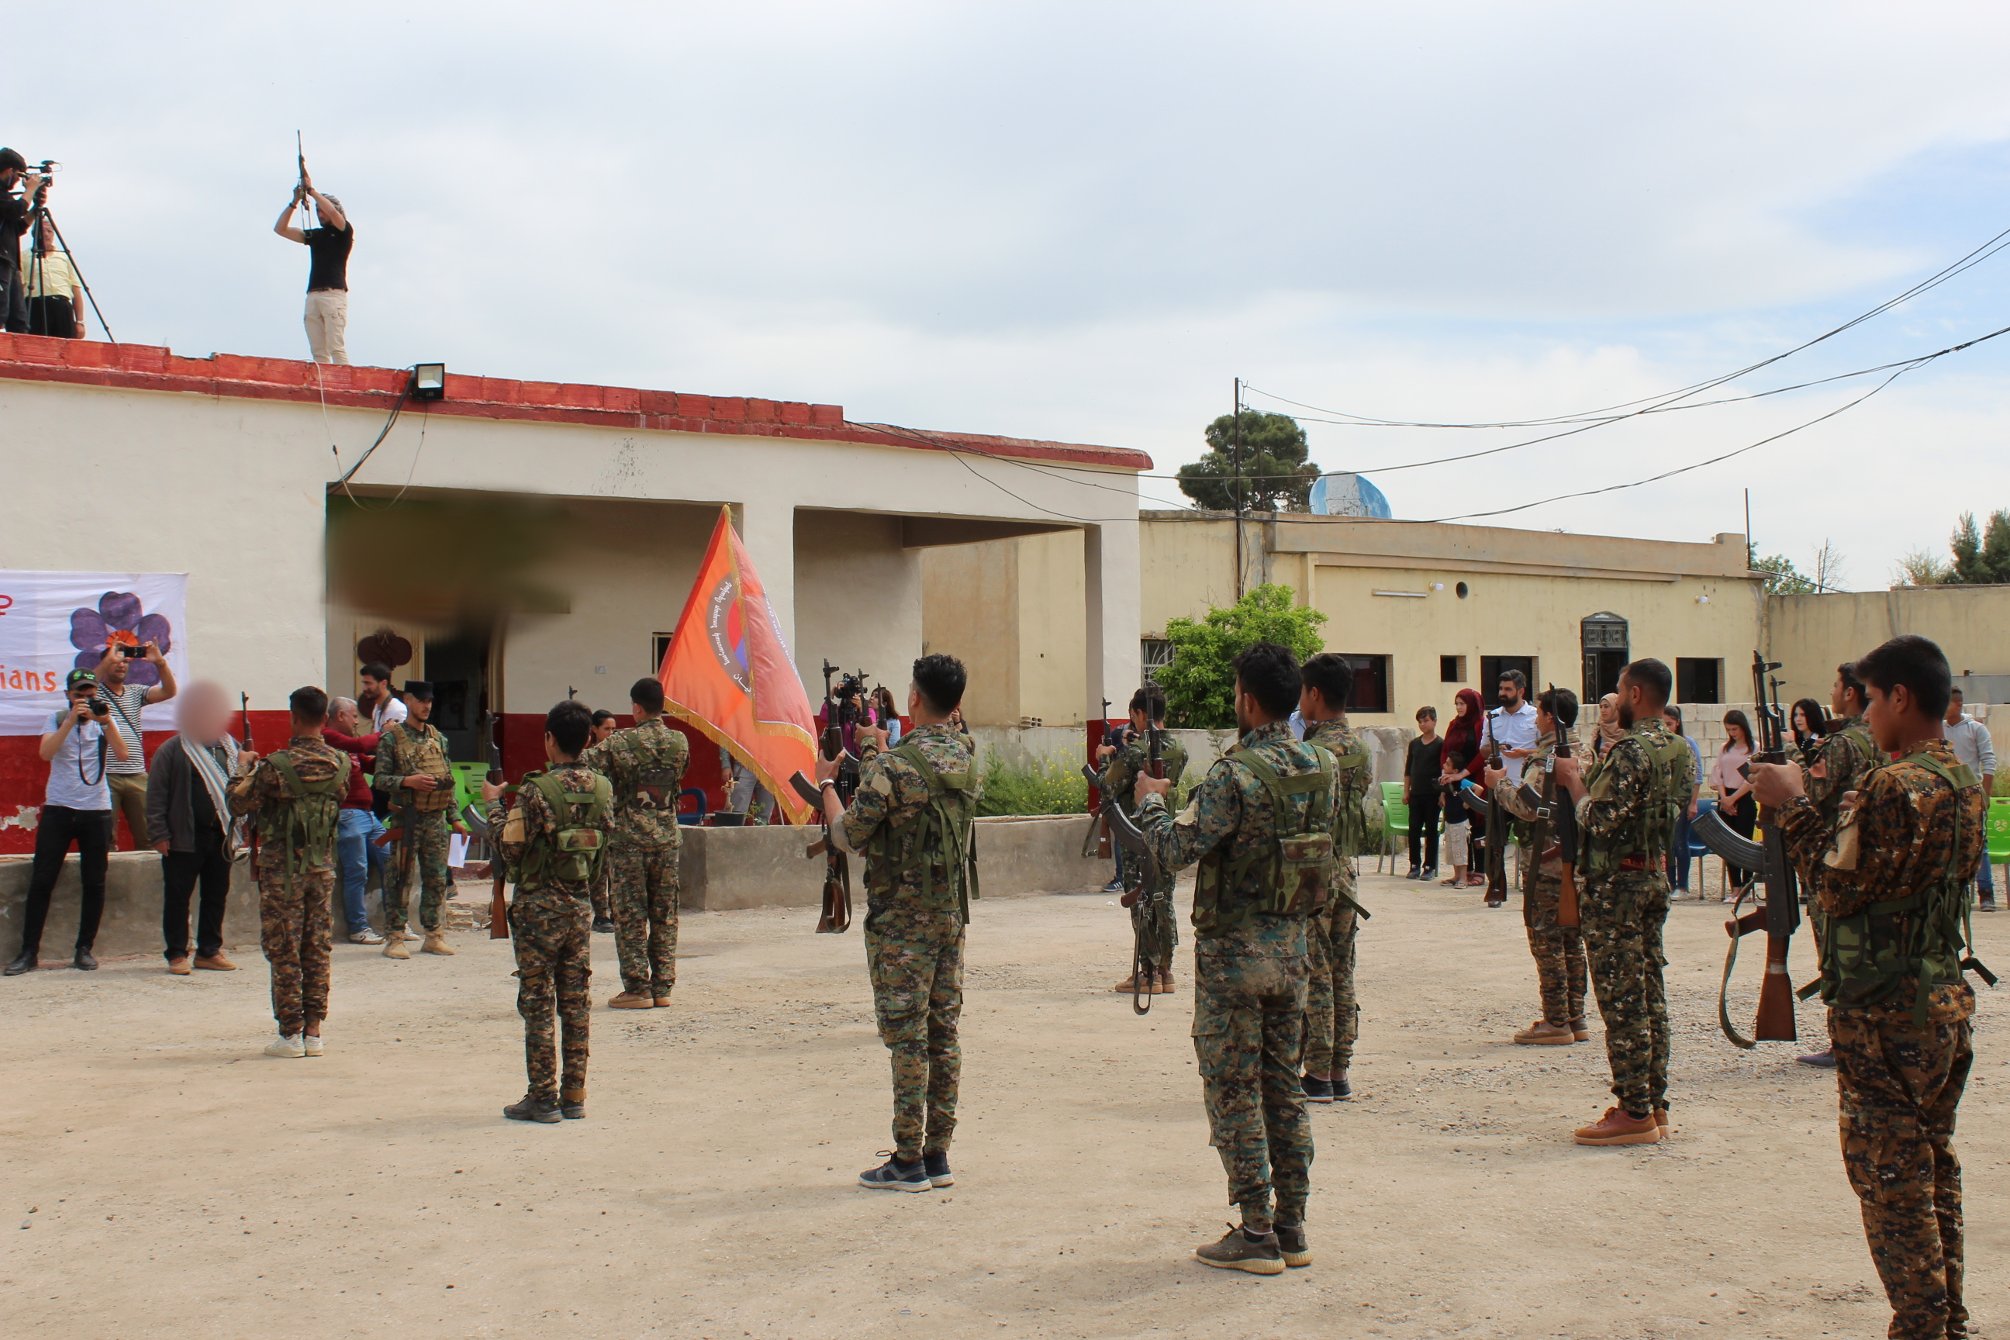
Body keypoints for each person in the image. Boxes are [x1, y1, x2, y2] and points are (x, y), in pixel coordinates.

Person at [1757, 635, 1987, 1340]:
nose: (1865, 712)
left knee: (1890, 1181)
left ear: (1900, 698)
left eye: (1873, 698)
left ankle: (1920, 1325)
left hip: (1887, 1014)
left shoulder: (1896, 786)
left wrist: (1792, 805)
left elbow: (1836, 891)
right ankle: (1946, 1318)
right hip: (1939, 999)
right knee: (1931, 1166)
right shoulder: (1959, 783)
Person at [1132, 642, 1326, 1274]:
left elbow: (1173, 850)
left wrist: (1152, 799)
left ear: (1246, 698)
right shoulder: (1318, 766)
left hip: (1233, 963)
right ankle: (1292, 1228)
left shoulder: (1234, 774)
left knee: (1234, 1089)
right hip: (1293, 953)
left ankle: (1256, 1230)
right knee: (1284, 1089)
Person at [812, 654, 977, 1195]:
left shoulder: (896, 767)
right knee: (942, 1034)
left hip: (902, 923)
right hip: (950, 914)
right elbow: (912, 780)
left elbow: (848, 835)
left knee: (906, 1038)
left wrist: (826, 786)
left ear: (913, 698)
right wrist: (874, 745)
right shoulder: (966, 757)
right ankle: (937, 1154)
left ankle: (906, 1158)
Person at [1552, 657, 1688, 1147]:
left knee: (1622, 997)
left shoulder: (1631, 751)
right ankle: (1654, 1102)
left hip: (1617, 889)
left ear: (1634, 694)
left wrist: (1573, 781)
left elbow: (1600, 818)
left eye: (1618, 689)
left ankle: (1633, 1111)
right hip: (1652, 876)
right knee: (1651, 991)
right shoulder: (1679, 749)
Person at [485, 700, 613, 1123]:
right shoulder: (602, 788)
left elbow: (510, 846)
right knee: (576, 1001)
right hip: (579, 905)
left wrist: (493, 807)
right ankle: (574, 1094)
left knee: (538, 1001)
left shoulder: (536, 790)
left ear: (549, 739)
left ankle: (542, 1097)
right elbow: (603, 848)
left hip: (539, 906)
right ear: (589, 739)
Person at [228, 686, 350, 1059]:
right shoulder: (341, 764)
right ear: (325, 720)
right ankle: (314, 1031)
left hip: (283, 874)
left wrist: (242, 767)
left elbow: (238, 803)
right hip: (322, 869)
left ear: (293, 718)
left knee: (284, 950)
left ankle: (289, 1033)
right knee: (317, 948)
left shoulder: (275, 767)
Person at [4, 670, 129, 975]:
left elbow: (124, 755)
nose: (84, 699)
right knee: (42, 880)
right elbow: (45, 753)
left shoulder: (104, 720)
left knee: (95, 881)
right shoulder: (57, 719)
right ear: (68, 696)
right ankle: (29, 951)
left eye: (89, 694)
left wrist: (106, 721)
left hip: (96, 810)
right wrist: (72, 720)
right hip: (60, 809)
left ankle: (84, 949)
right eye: (78, 694)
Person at [1795, 660, 1887, 1070]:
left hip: (1836, 857)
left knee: (1833, 950)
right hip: (1870, 859)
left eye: (1835, 685)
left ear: (1850, 692)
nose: (1831, 692)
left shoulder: (1844, 742)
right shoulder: (1879, 738)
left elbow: (1809, 788)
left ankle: (1843, 1039)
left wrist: (1787, 765)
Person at [1488, 686, 1592, 1045]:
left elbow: (1529, 807)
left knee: (1547, 940)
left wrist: (1499, 786)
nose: (1535, 720)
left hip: (1547, 862)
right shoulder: (1585, 752)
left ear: (1549, 717)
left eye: (1540, 714)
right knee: (1572, 940)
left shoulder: (1549, 757)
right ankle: (1576, 1017)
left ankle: (1556, 1021)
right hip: (1578, 861)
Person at [581, 679, 689, 1009]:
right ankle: (663, 986)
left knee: (629, 914)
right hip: (667, 837)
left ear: (637, 707)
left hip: (628, 839)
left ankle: (637, 987)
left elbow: (584, 765)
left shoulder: (621, 742)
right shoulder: (679, 741)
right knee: (665, 913)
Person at [1298, 653, 1371, 1104]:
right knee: (1343, 971)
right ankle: (1340, 1067)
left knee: (1316, 971)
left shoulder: (1314, 752)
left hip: (1315, 872)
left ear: (1315, 694)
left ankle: (1318, 1071)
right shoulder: (1360, 747)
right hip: (1346, 870)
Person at [1096, 686, 1189, 996]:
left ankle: (1147, 974)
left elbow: (1107, 787)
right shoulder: (1178, 749)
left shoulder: (1135, 752)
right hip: (1167, 833)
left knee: (1141, 902)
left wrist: (1105, 759)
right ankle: (1166, 971)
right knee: (1164, 900)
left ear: (1138, 714)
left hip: (1138, 838)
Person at [146, 682, 244, 974]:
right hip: (183, 837)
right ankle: (177, 953)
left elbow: (242, 787)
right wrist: (159, 834)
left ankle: (209, 950)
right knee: (178, 897)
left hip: (221, 835)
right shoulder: (173, 750)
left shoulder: (231, 748)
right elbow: (156, 794)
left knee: (216, 894)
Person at [372, 681, 462, 959]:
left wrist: (455, 817)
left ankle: (433, 934)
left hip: (435, 819)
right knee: (400, 877)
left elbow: (448, 780)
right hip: (407, 819)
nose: (426, 706)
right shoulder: (391, 739)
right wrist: (407, 781)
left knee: (436, 878)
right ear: (408, 700)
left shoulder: (439, 738)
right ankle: (395, 936)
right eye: (421, 700)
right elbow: (380, 780)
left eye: (430, 701)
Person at [94, 639, 179, 852]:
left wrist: (160, 663)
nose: (121, 665)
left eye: (125, 662)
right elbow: (88, 685)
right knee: (104, 837)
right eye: (115, 661)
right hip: (106, 776)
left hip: (137, 775)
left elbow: (169, 692)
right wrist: (108, 659)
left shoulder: (135, 692)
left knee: (150, 836)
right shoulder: (97, 693)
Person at [324, 697, 389, 944]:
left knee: (389, 861)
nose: (355, 721)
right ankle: (358, 927)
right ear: (340, 715)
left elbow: (366, 762)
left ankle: (395, 922)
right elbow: (360, 743)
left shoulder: (349, 748)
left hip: (368, 815)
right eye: (353, 716)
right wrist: (383, 734)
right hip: (349, 814)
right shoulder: (330, 737)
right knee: (357, 871)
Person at [272, 168, 353, 364]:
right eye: (317, 210)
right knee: (318, 351)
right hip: (314, 294)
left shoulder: (344, 231)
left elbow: (333, 213)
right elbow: (280, 229)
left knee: (336, 347)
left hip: (333, 294)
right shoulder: (316, 236)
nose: (319, 213)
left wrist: (312, 191)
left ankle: (342, 385)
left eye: (321, 209)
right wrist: (295, 201)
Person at [1942, 688, 1996, 912]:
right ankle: (1956, 891)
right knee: (1948, 843)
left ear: (1957, 704)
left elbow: (1988, 762)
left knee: (1979, 843)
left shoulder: (1976, 729)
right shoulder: (1939, 729)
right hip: (1945, 793)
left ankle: (1987, 893)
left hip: (1971, 794)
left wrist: (1985, 794)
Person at [1438, 688, 1485, 888]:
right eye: (1456, 703)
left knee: (1476, 825)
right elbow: (1445, 751)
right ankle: (1461, 873)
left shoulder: (1481, 724)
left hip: (1474, 779)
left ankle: (1479, 871)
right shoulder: (1453, 725)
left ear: (1472, 705)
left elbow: (1483, 752)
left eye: (1462, 704)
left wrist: (1463, 773)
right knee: (1457, 828)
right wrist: (1445, 777)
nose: (1458, 708)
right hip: (1454, 781)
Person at [1708, 710, 1757, 895]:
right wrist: (1725, 799)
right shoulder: (1724, 748)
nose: (1732, 733)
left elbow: (1751, 777)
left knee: (1745, 843)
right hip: (1725, 795)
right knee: (1728, 844)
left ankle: (1746, 885)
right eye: (1729, 730)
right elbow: (1717, 773)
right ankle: (1735, 886)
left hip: (1744, 796)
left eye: (1735, 729)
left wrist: (1734, 798)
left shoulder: (1754, 748)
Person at [1662, 705, 1703, 900]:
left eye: (1669, 724)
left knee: (1680, 842)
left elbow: (1697, 774)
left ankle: (1683, 885)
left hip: (1683, 800)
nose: (1666, 727)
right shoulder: (1660, 744)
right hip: (1665, 800)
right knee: (1668, 844)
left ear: (1677, 724)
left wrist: (1693, 802)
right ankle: (1671, 884)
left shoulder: (1687, 743)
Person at [0, 150, 41, 333]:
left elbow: (18, 227)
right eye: (18, 174)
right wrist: (30, 190)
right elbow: (16, 210)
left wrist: (35, 208)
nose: (18, 180)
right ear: (9, 171)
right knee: (0, 312)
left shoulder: (6, 197)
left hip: (10, 262)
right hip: (1, 260)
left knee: (19, 320)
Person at [22, 227, 85, 338]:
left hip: (62, 307)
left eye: (49, 231)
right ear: (35, 234)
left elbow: (76, 290)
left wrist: (80, 322)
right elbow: (20, 288)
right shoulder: (24, 256)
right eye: (42, 231)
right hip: (35, 307)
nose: (46, 234)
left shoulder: (63, 256)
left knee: (66, 348)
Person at [1403, 706, 1442, 880]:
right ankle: (1414, 864)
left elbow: (1443, 771)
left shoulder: (1441, 744)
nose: (1422, 724)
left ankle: (1430, 866)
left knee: (1432, 830)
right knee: (1414, 829)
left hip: (1432, 794)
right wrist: (1406, 791)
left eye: (1426, 720)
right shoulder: (1414, 744)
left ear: (1434, 721)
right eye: (1420, 721)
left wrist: (1442, 794)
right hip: (1416, 794)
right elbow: (1408, 770)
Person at [359, 663, 407, 734]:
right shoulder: (377, 707)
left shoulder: (398, 709)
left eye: (368, 683)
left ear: (383, 683)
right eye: (364, 683)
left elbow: (402, 742)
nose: (364, 688)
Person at [1791, 697, 1829, 761]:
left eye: (1803, 715)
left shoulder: (1822, 741)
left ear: (1813, 716)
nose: (1798, 719)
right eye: (1795, 715)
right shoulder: (1796, 740)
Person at [1593, 692, 1625, 759]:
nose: (1602, 710)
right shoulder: (1599, 730)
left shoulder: (1626, 730)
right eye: (1601, 707)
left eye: (1606, 706)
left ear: (1616, 707)